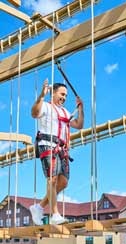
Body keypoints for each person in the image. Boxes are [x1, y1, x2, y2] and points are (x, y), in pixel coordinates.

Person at [30, 79, 84, 225]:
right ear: (53, 93)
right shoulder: (46, 107)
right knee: (52, 180)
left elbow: (78, 125)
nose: (64, 98)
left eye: (66, 96)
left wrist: (80, 109)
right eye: (62, 94)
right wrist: (41, 95)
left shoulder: (65, 112)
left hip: (62, 149)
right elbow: (34, 113)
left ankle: (39, 207)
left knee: (63, 182)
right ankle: (55, 214)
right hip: (47, 144)